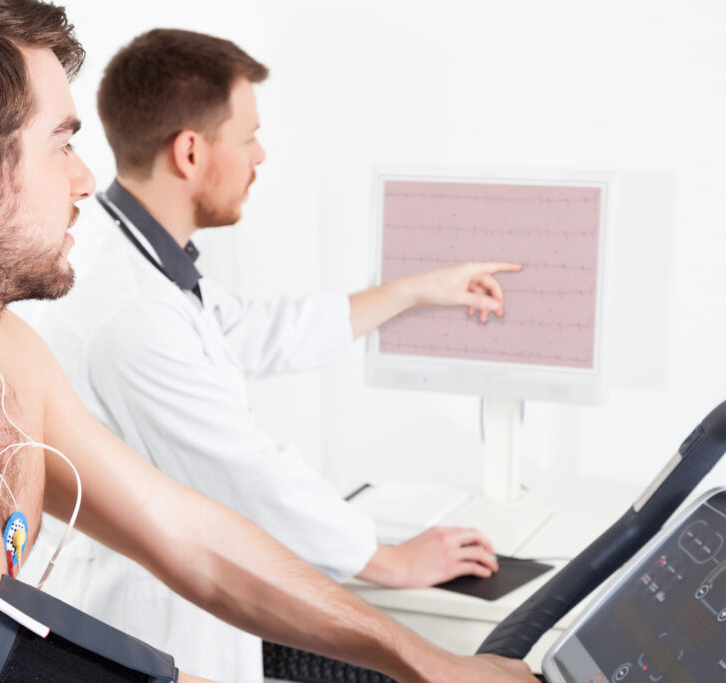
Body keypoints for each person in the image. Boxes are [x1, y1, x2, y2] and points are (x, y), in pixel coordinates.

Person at [0, 1, 538, 681]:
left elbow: (183, 534)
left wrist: (427, 662)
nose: (85, 179)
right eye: (62, 145)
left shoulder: (6, 359)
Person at [26, 27, 525, 681]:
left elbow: (255, 330)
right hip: (149, 619)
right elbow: (248, 475)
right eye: (249, 137)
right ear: (190, 152)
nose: (260, 155)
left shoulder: (134, 257)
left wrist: (417, 291)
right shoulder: (132, 314)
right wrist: (390, 560)